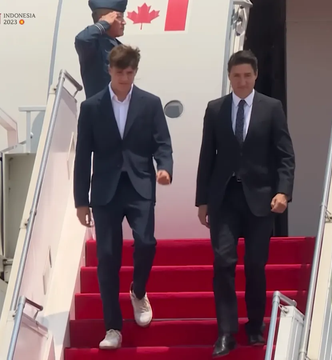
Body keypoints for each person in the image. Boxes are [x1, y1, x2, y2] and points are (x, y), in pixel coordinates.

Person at [195, 50, 295, 357]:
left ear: (255, 76)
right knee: (223, 263)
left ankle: (254, 325)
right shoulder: (215, 109)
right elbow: (206, 156)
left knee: (254, 265)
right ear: (229, 77)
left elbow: (285, 155)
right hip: (224, 198)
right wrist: (202, 200)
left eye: (247, 76)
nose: (242, 81)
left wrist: (283, 191)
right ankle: (226, 331)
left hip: (260, 199)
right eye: (236, 76)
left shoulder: (272, 108)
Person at [73, 44, 173, 350]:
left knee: (146, 242)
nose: (125, 78)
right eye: (120, 73)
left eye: (130, 73)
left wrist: (164, 168)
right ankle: (113, 328)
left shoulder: (150, 103)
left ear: (135, 71)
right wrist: (81, 200)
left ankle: (138, 291)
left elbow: (163, 143)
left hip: (140, 184)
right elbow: (83, 155)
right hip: (104, 190)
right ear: (110, 70)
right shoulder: (91, 107)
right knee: (107, 259)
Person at [75, 0, 127, 99]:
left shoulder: (119, 46)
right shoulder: (94, 44)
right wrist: (103, 24)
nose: (124, 22)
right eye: (119, 17)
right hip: (100, 109)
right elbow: (82, 39)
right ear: (106, 19)